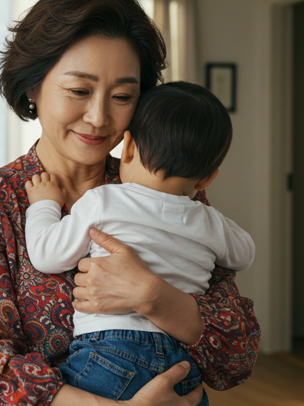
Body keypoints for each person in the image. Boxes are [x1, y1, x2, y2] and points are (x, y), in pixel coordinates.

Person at [0, 0, 260, 406]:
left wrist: (155, 297)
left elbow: (236, 357)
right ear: (33, 88)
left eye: (123, 95)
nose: (98, 116)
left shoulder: (168, 188)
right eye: (79, 91)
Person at [23, 81, 255, 404]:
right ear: (206, 179)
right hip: (180, 362)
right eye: (79, 90)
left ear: (128, 147)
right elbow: (244, 254)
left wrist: (44, 205)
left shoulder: (102, 201)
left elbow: (47, 254)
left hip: (109, 351)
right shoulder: (209, 220)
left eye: (120, 97)